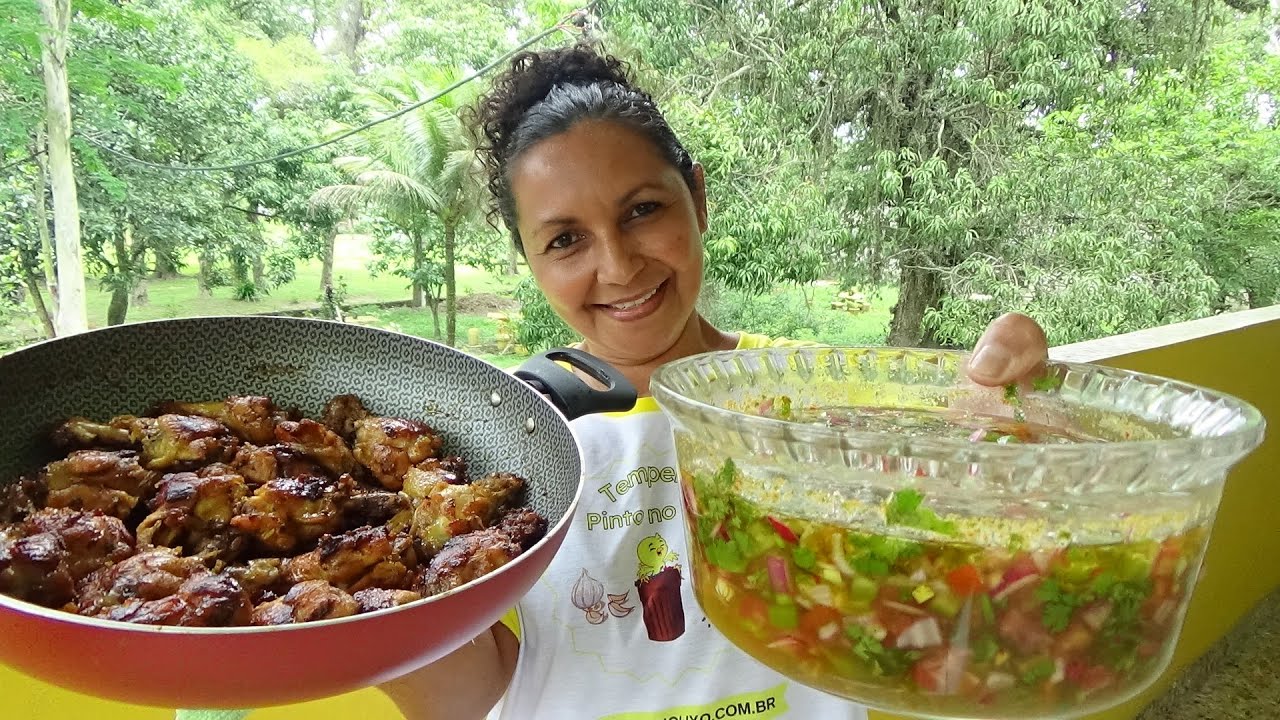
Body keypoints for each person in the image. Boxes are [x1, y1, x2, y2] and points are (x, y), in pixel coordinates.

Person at [377, 41, 1051, 720]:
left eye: (641, 210)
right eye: (564, 240)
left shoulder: (821, 399)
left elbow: (931, 595)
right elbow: (462, 699)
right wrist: (365, 616)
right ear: (529, 259)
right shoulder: (504, 435)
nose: (617, 266)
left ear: (697, 198)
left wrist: (999, 425)